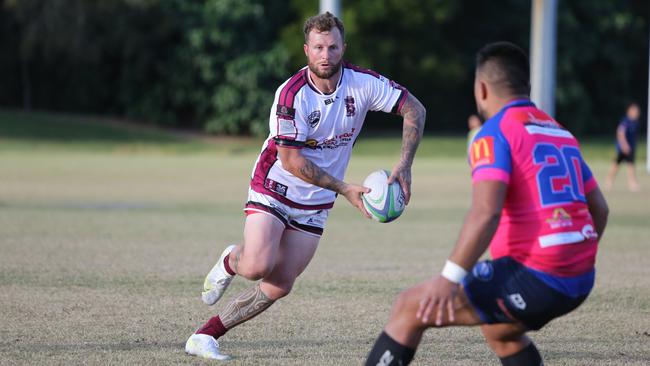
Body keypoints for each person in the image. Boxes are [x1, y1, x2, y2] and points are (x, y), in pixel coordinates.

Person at [185, 12, 426, 360]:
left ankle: (205, 335)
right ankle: (230, 260)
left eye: (332, 46)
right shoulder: (291, 94)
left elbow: (414, 109)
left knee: (280, 284)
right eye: (318, 47)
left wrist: (405, 165)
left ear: (343, 48)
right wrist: (344, 188)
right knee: (256, 266)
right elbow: (292, 161)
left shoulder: (363, 84)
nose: (325, 54)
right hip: (277, 184)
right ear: (306, 50)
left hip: (317, 198)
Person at [365, 42, 609, 366]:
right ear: (528, 87)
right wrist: (573, 256)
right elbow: (600, 209)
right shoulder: (559, 132)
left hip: (539, 274)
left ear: (481, 89)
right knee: (500, 332)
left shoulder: (493, 133)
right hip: (582, 275)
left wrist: (448, 280)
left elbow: (486, 212)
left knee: (409, 308)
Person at [605, 102, 641, 191]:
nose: (637, 113)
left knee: (631, 165)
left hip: (631, 148)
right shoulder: (625, 121)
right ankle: (609, 181)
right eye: (635, 111)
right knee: (616, 164)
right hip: (623, 148)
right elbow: (620, 133)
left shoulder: (635, 122)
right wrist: (624, 145)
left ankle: (632, 183)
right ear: (630, 111)